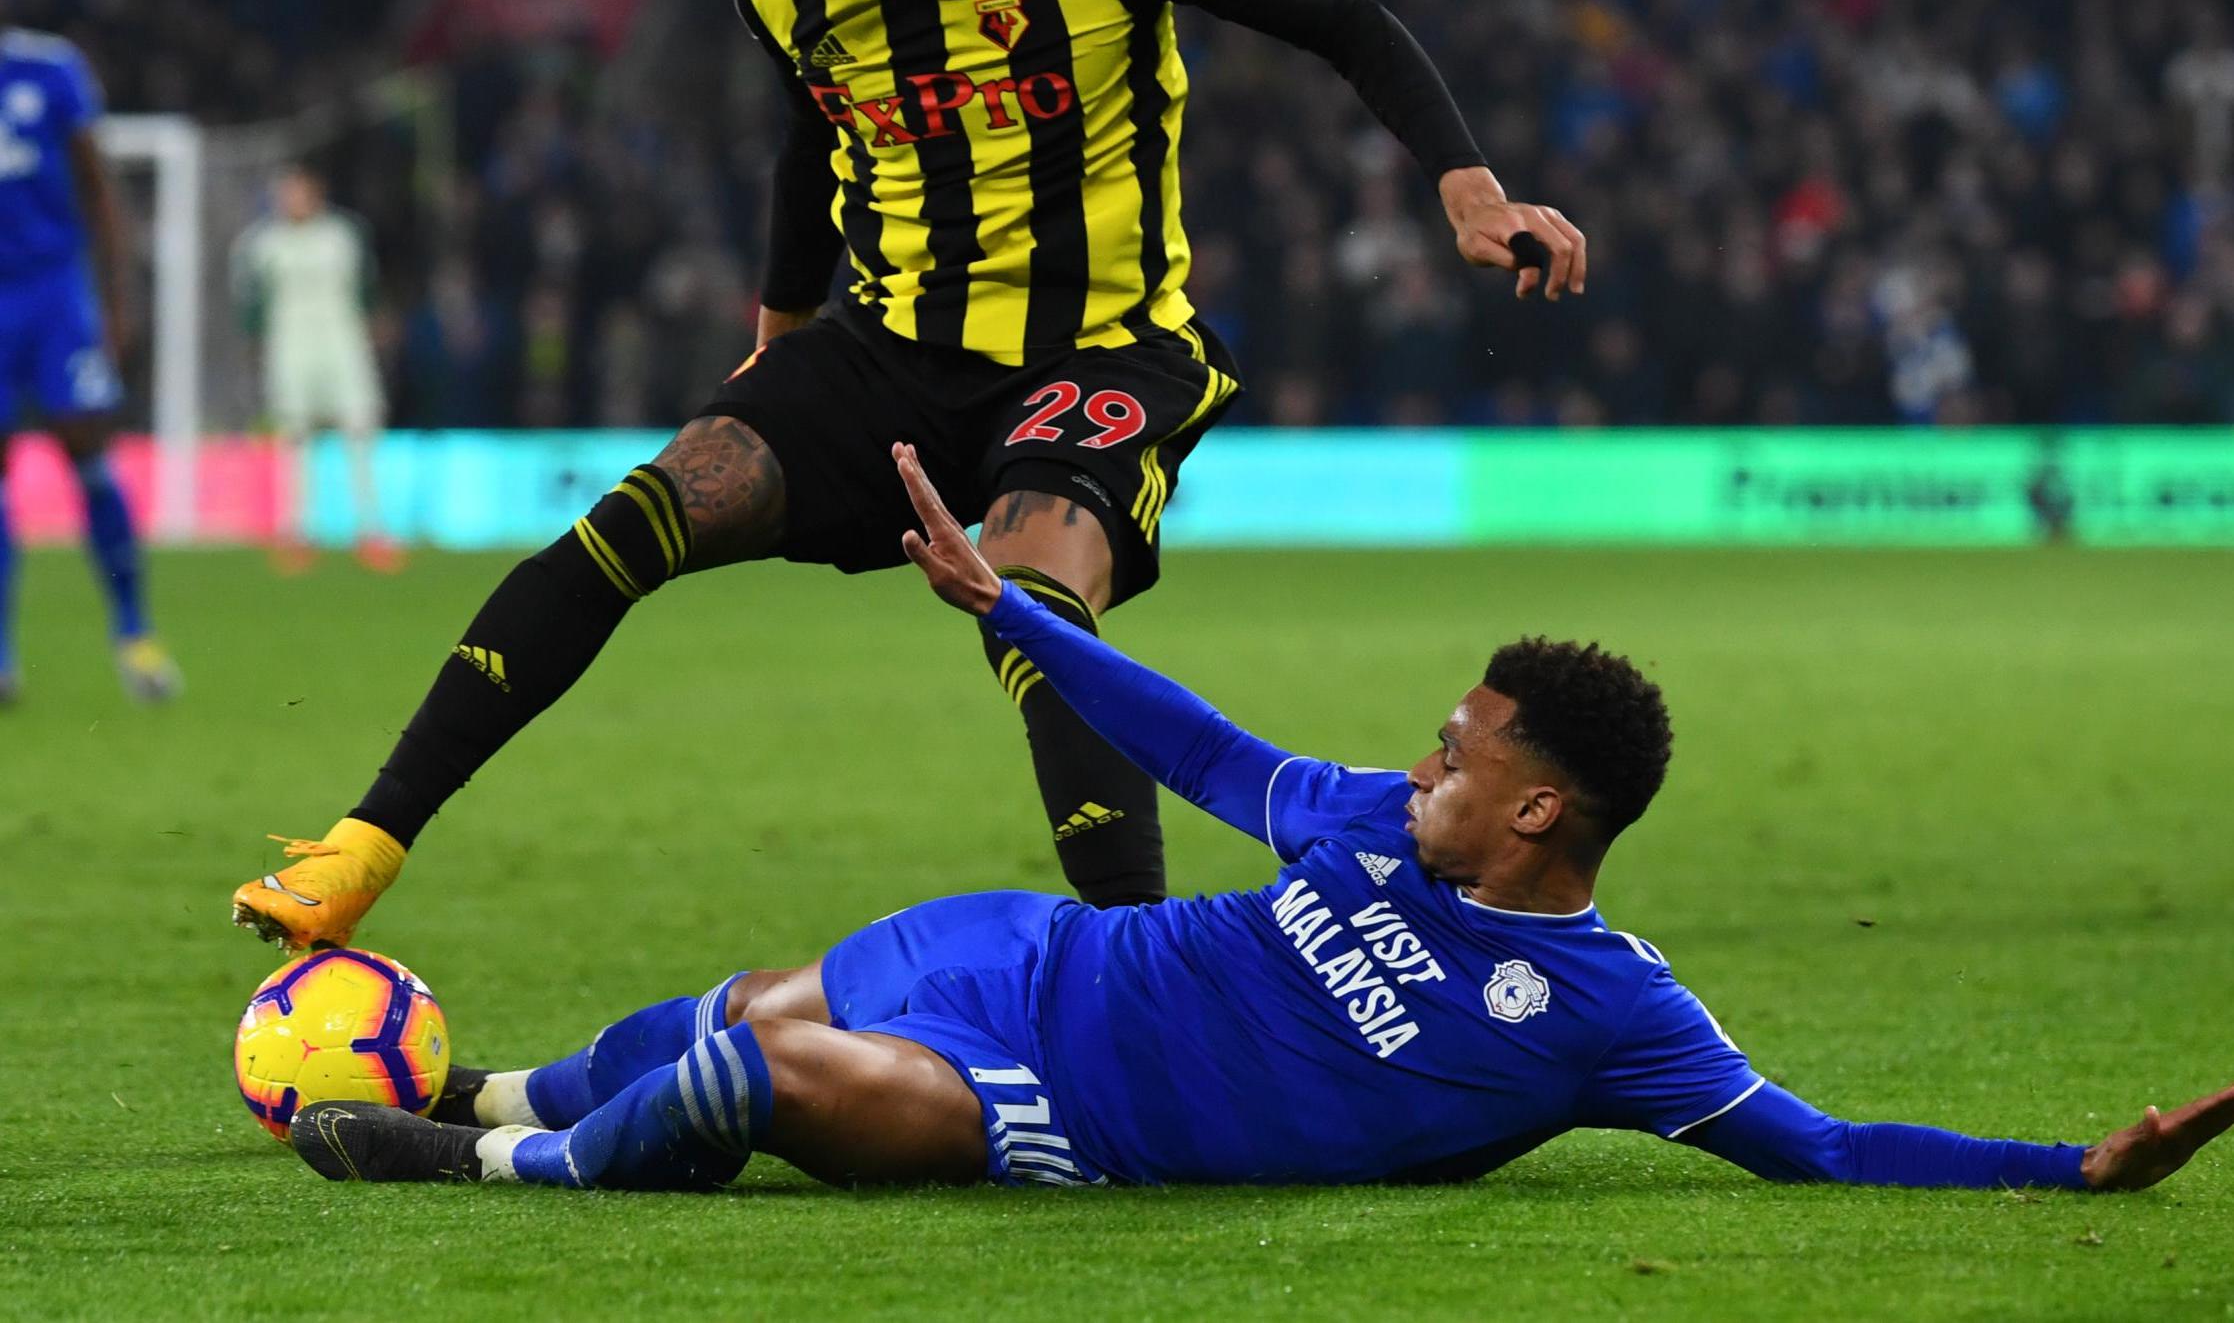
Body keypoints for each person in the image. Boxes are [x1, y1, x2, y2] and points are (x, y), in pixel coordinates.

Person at [231, 0, 1585, 947]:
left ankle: (1139, 962)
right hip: (887, 353)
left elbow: (1341, 19)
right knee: (643, 512)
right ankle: (362, 845)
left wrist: (1467, 189)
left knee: (1031, 590)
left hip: (1103, 349)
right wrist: (775, 334)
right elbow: (808, 153)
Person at [288, 443, 2232, 1196]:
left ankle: (483, 1175)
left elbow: (1816, 1146)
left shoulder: (1615, 1022)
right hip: (1034, 955)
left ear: (1539, 804)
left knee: (770, 1064)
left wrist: (2064, 1169)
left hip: (1071, 1113)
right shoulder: (1374, 822)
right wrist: (1013, 618)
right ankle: (500, 1093)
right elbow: (1199, 743)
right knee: (733, 1001)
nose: (1426, 757)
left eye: (1461, 748)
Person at [0, 0, 182, 706]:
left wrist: (118, 301)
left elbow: (98, 189)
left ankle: (134, 633)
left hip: (52, 294)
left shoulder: (51, 70)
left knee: (88, 451)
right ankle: (2, 658)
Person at [230, 163, 401, 574]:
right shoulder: (261, 244)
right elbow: (250, 308)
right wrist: (255, 351)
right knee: (294, 438)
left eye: (297, 191)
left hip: (343, 344)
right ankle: (296, 534)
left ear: (316, 193)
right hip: (289, 348)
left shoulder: (343, 235)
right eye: (284, 192)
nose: (290, 200)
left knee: (360, 430)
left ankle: (372, 531)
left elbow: (367, 291)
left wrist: (378, 330)